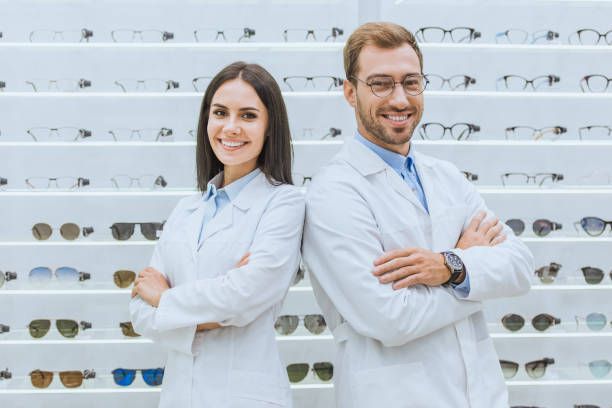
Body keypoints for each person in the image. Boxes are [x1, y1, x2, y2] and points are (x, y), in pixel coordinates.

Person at [302, 22, 534, 408]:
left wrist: (451, 266)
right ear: (349, 92)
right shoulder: (333, 194)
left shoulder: (446, 176)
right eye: (380, 83)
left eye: (411, 82)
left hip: (482, 396)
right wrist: (476, 279)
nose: (399, 99)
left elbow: (521, 267)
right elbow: (391, 320)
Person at [129, 61, 305, 408]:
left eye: (248, 116)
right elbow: (139, 312)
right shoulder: (186, 210)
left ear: (270, 127)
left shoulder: (285, 202)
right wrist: (217, 309)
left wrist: (165, 299)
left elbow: (246, 295)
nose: (231, 127)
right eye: (220, 113)